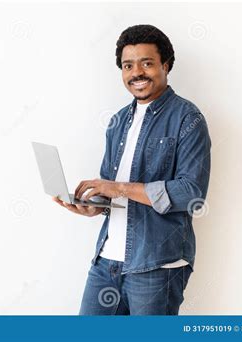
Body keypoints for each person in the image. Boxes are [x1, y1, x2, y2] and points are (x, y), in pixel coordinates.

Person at [53, 24, 211, 315]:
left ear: (165, 65)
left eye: (147, 63)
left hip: (156, 265)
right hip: (106, 262)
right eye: (128, 65)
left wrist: (118, 188)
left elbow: (191, 193)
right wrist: (95, 206)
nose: (137, 72)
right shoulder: (117, 121)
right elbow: (110, 191)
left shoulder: (188, 118)